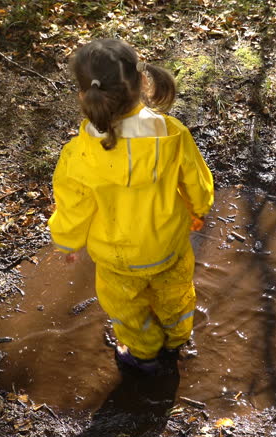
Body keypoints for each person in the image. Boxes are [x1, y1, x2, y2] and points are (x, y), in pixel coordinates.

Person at [48, 38, 214, 374]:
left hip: (116, 260)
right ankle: (178, 337)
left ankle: (142, 354)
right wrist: (199, 209)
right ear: (142, 82)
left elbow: (73, 208)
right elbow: (196, 181)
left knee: (126, 308)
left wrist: (67, 243)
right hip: (169, 247)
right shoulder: (171, 133)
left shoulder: (78, 154)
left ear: (84, 96)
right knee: (177, 295)